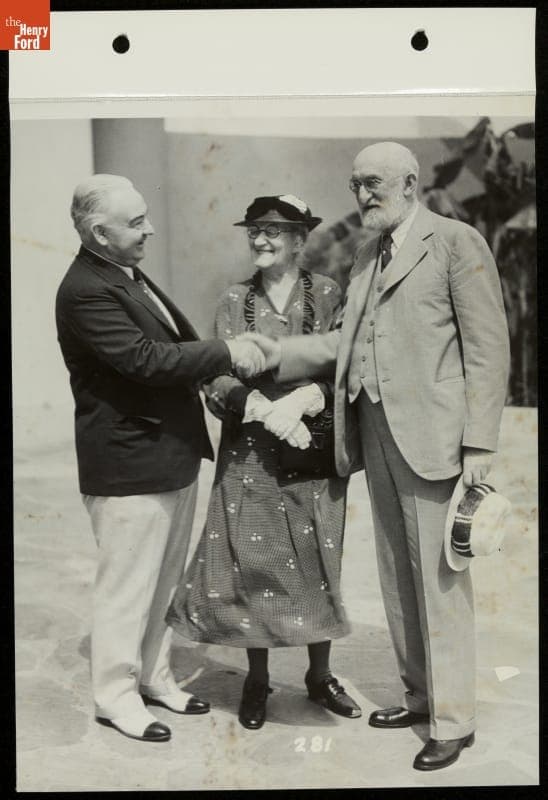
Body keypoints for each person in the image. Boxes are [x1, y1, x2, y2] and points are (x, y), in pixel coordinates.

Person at [245, 144, 510, 770]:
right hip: (376, 433)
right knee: (397, 575)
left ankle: (454, 720)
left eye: (372, 184)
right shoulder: (368, 253)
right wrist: (278, 353)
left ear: (410, 184)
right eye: (355, 185)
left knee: (439, 580)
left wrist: (479, 441)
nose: (362, 196)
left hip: (436, 438)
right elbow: (347, 341)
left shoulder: (455, 242)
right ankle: (419, 698)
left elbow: (487, 346)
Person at [56, 174, 266, 743]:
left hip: (168, 454)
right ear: (100, 233)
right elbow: (145, 359)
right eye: (135, 222)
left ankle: (153, 676)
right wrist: (227, 351)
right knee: (127, 586)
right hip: (129, 464)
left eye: (145, 216)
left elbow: (172, 340)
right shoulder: (84, 289)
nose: (149, 228)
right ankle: (115, 697)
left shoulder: (123, 270)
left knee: (164, 582)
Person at [167, 195, 362, 730]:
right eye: (254, 230)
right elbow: (215, 373)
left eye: (274, 231)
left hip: (312, 444)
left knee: (319, 557)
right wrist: (254, 404)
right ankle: (257, 679)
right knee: (252, 562)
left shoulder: (328, 293)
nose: (260, 239)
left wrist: (308, 398)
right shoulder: (234, 299)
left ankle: (319, 676)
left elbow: (348, 362)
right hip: (249, 450)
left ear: (300, 239)